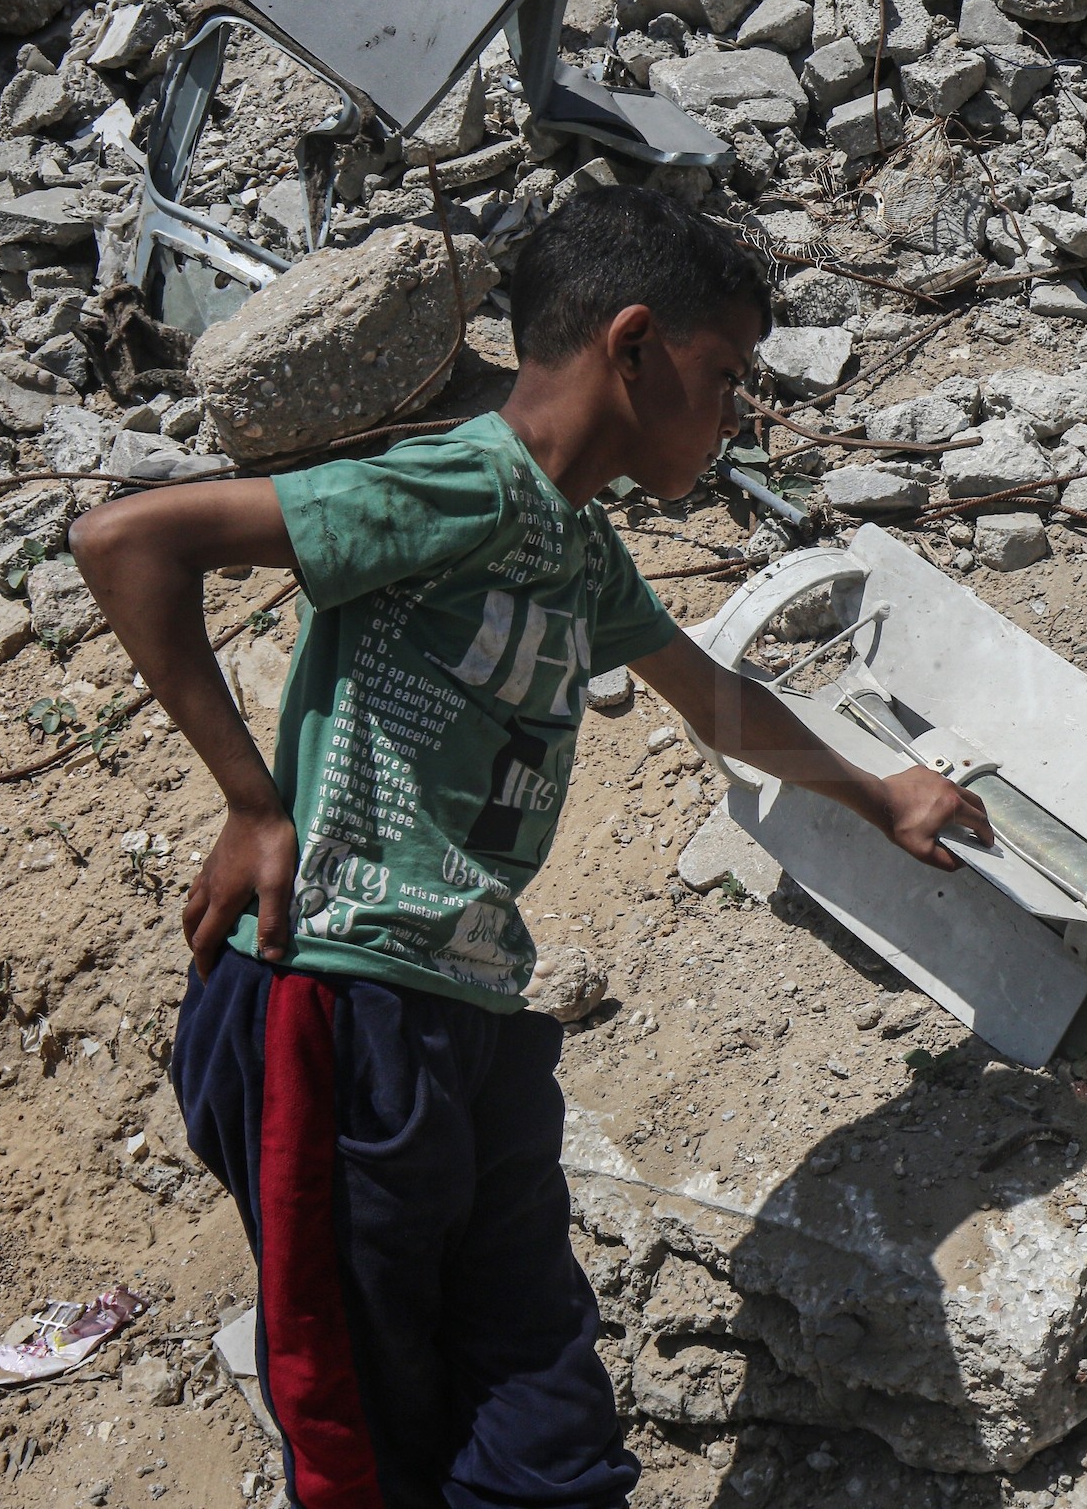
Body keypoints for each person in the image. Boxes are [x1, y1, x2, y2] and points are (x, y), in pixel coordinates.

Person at [69, 187, 992, 1509]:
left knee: (541, 1408)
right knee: (366, 1423)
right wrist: (253, 804)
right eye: (726, 375)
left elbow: (717, 703)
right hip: (334, 1006)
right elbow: (130, 541)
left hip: (473, 1020)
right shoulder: (460, 483)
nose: (735, 413)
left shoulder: (576, 547)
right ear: (634, 346)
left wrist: (880, 794)